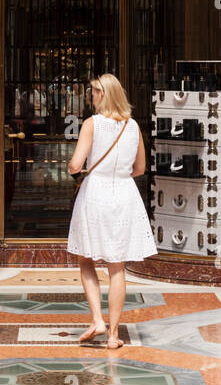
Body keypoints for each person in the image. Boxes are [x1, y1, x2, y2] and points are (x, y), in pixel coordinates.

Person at [66, 73, 157, 349]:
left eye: (93, 92)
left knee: (86, 259)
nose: (90, 97)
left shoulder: (92, 124)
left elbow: (75, 164)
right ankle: (114, 335)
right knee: (117, 267)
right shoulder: (133, 127)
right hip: (124, 194)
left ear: (103, 94)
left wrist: (76, 167)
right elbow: (140, 169)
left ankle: (97, 319)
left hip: (96, 193)